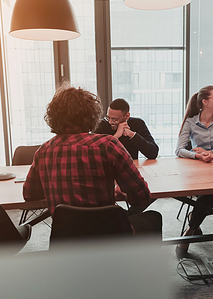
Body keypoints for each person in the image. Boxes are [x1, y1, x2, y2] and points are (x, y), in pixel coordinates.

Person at [22, 84, 162, 236]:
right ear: (91, 115)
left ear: (53, 116)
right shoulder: (108, 145)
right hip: (105, 235)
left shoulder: (44, 150)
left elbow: (29, 194)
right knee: (153, 218)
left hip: (66, 238)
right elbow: (141, 196)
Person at [174, 85, 213, 257]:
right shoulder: (190, 122)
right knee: (210, 198)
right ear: (205, 101)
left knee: (209, 197)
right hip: (198, 171)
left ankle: (191, 227)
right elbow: (179, 150)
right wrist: (198, 157)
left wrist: (211, 153)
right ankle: (192, 226)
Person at [94, 98, 159, 160]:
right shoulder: (101, 125)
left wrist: (132, 135)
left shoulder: (137, 124)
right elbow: (94, 153)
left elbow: (153, 153)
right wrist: (115, 137)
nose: (110, 122)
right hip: (108, 168)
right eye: (108, 118)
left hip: (131, 167)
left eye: (115, 119)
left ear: (127, 116)